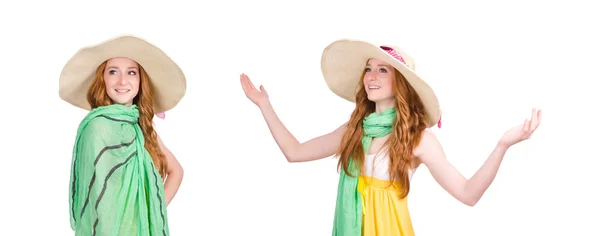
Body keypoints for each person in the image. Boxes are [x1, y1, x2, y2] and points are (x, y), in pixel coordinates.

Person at [240, 39, 541, 236]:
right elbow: (295, 152)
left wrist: (503, 145)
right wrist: (264, 105)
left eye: (382, 70)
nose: (371, 76)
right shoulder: (353, 132)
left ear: (401, 83)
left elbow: (468, 194)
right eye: (369, 69)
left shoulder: (418, 140)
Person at [59, 35, 186, 235]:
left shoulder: (142, 127)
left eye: (131, 72)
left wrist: (151, 208)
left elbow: (176, 171)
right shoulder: (96, 127)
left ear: (140, 80)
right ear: (103, 79)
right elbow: (97, 194)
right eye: (113, 72)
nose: (122, 80)